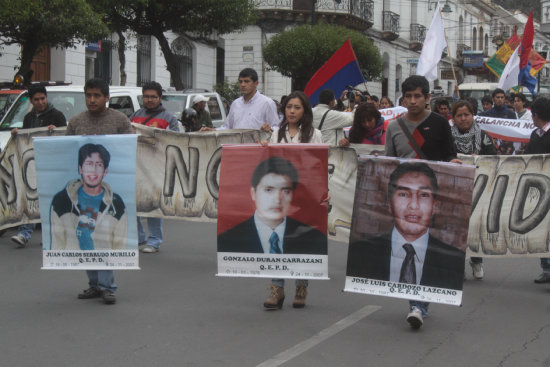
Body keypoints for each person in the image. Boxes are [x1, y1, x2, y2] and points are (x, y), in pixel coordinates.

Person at [383, 75, 461, 329]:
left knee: (428, 251)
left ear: (428, 98)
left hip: (432, 200)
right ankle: (417, 304)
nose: (413, 101)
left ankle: (419, 304)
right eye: (408, 96)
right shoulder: (394, 128)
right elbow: (390, 164)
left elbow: (451, 155)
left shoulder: (439, 124)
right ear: (402, 98)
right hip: (406, 202)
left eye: (418, 96)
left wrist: (454, 164)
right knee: (409, 248)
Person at [217, 156, 328, 309]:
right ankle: (277, 289)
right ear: (253, 193)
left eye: (286, 190)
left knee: (304, 250)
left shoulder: (312, 234)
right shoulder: (231, 237)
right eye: (268, 190)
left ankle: (301, 288)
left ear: (293, 195)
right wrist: (263, 145)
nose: (277, 199)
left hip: (303, 227)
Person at [66, 78, 133, 305]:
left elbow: (129, 153)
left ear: (107, 97)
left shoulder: (120, 121)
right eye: (88, 95)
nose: (92, 100)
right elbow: (67, 151)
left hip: (111, 193)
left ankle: (107, 286)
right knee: (85, 237)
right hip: (83, 193)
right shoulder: (75, 122)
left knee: (104, 239)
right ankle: (93, 284)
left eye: (97, 95)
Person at [347, 162, 465, 287]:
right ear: (390, 204)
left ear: (434, 206)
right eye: (403, 194)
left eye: (424, 195)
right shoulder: (360, 254)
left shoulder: (454, 260)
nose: (413, 205)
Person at [10, 86, 66, 248]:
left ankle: (50, 235)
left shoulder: (57, 115)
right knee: (31, 199)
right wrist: (17, 134)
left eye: (43, 98)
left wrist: (55, 132)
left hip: (51, 165)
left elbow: (64, 137)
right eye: (36, 99)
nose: (40, 102)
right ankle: (24, 234)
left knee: (49, 201)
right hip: (32, 165)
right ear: (31, 101)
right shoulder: (28, 118)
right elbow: (27, 138)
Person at [130, 81, 179, 253]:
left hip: (157, 169)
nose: (149, 100)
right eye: (146, 96)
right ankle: (138, 236)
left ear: (160, 98)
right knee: (133, 203)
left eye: (153, 97)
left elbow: (177, 141)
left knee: (153, 205)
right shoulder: (135, 115)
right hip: (136, 167)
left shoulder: (169, 118)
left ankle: (154, 240)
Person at [50, 143, 127, 251]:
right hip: (73, 264)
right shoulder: (62, 201)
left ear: (105, 171)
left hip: (104, 263)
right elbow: (57, 244)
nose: (93, 170)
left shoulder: (116, 204)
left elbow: (120, 245)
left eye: (99, 165)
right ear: (80, 168)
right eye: (89, 164)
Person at [451, 100, 496, 279]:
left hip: (479, 190)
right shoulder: (447, 137)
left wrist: (481, 159)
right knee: (456, 228)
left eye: (467, 115)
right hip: (455, 190)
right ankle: (457, 264)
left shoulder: (484, 136)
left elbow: (494, 160)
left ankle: (477, 261)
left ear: (472, 116)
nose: (463, 119)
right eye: (459, 115)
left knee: (476, 227)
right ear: (453, 118)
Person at [522, 97, 550, 284]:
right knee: (541, 226)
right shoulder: (535, 135)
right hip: (539, 189)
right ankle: (546, 269)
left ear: (536, 115)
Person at [202, 68, 279, 131]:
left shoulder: (267, 103)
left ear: (256, 83)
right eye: (240, 81)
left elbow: (277, 128)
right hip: (237, 147)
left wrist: (270, 129)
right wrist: (213, 130)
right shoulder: (235, 104)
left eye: (246, 81)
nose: (243, 85)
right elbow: (228, 128)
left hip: (257, 147)